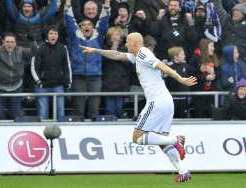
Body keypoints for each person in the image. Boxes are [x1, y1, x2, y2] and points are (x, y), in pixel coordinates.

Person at [81, 32, 197, 183]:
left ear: (135, 43)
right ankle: (183, 170)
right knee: (162, 142)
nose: (126, 45)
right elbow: (117, 55)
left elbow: (161, 66)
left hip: (156, 102)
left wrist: (179, 78)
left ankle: (176, 140)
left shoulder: (142, 53)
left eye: (128, 42)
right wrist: (96, 51)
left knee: (137, 137)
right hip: (166, 102)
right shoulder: (137, 56)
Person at [31, 25, 72, 121]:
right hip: (42, 85)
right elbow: (33, 67)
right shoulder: (39, 47)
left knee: (60, 114)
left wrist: (68, 81)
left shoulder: (63, 48)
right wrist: (39, 82)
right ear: (47, 35)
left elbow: (67, 66)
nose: (53, 36)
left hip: (58, 84)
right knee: (42, 114)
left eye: (55, 33)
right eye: (51, 33)